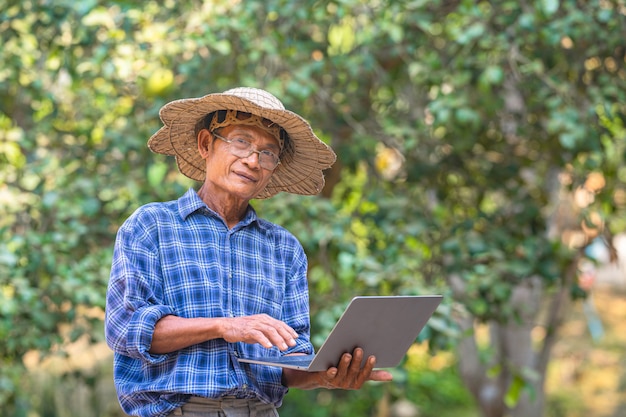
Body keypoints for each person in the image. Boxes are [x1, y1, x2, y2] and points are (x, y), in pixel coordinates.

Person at [105, 87, 393, 417]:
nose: (253, 161)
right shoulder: (151, 225)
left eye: (268, 153)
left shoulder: (284, 249)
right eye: (241, 142)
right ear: (205, 145)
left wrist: (326, 374)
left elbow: (288, 360)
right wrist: (225, 326)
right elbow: (126, 329)